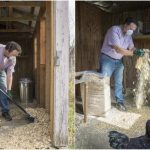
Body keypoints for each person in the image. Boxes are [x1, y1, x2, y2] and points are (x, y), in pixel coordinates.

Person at [99, 17, 144, 111]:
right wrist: (133, 53)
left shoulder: (128, 35)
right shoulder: (114, 30)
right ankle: (102, 103)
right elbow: (118, 49)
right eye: (131, 28)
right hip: (107, 59)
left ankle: (120, 102)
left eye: (133, 30)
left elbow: (131, 47)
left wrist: (137, 50)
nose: (131, 31)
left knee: (119, 83)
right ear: (125, 24)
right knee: (104, 82)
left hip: (118, 61)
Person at [0, 41, 22, 121]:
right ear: (8, 49)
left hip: (1, 71)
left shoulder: (12, 59)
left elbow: (9, 75)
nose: (14, 57)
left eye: (15, 55)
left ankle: (5, 111)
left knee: (3, 90)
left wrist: (9, 90)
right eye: (13, 54)